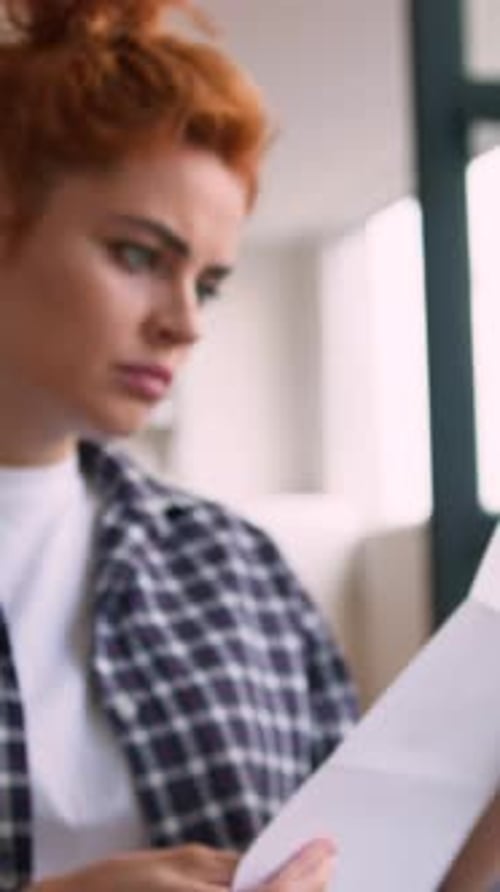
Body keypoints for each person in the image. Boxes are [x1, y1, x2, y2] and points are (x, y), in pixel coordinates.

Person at [0, 0, 359, 889]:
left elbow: (356, 863)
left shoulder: (238, 570)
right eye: (136, 255)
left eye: (210, 282)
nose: (185, 323)